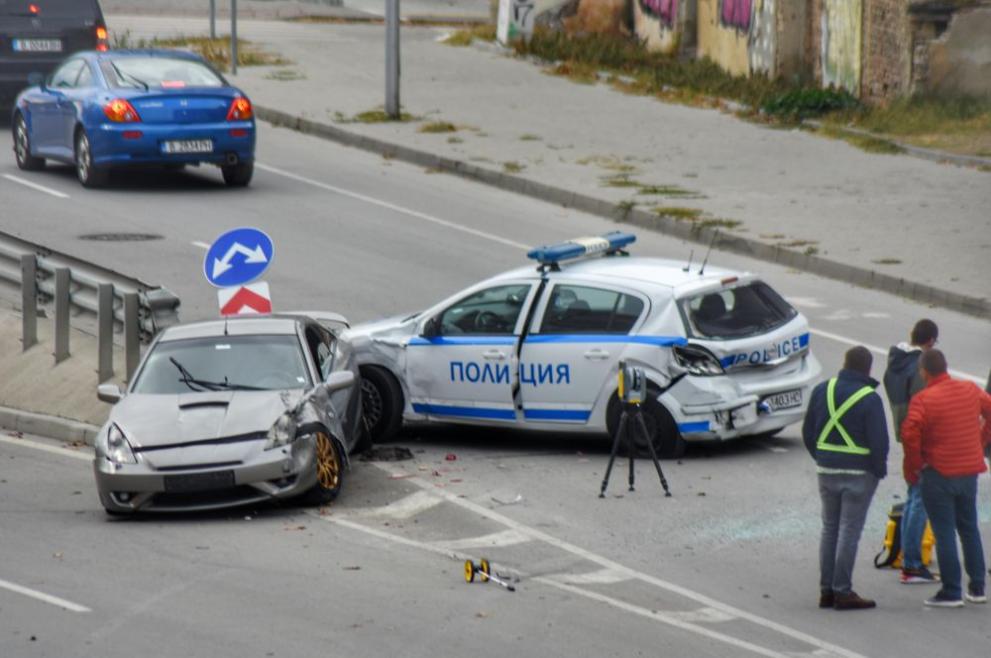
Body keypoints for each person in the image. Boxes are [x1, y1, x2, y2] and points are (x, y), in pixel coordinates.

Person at [901, 349, 991, 607]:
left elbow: (909, 433)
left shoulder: (923, 399)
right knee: (969, 528)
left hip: (938, 473)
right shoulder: (970, 389)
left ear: (924, 372)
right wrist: (981, 439)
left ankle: (951, 591)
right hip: (969, 471)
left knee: (944, 532)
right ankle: (977, 587)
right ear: (946, 367)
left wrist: (916, 465)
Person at [803, 346, 889, 610]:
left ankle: (826, 590)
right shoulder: (869, 398)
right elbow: (879, 442)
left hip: (827, 470)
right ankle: (843, 591)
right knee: (849, 531)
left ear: (844, 363)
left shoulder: (823, 390)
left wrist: (821, 458)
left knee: (829, 529)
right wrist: (878, 469)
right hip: (859, 473)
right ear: (867, 369)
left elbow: (808, 432)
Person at [882, 319, 939, 584]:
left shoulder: (895, 362)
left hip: (905, 436)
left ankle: (909, 557)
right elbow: (925, 409)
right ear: (929, 342)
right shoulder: (918, 369)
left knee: (914, 493)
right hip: (920, 439)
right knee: (919, 497)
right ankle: (913, 564)